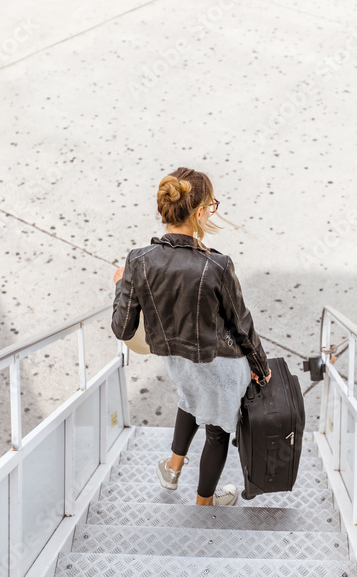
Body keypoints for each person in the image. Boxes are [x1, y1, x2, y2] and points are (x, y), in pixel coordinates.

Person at [111, 168, 271, 507]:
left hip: (178, 362)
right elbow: (242, 326)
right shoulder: (217, 265)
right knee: (216, 430)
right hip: (221, 365)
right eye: (211, 205)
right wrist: (260, 365)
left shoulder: (137, 261)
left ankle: (172, 468)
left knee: (191, 398)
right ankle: (204, 504)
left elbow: (122, 329)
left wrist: (119, 286)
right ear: (199, 212)